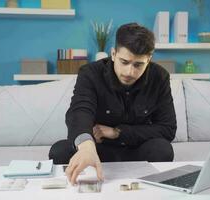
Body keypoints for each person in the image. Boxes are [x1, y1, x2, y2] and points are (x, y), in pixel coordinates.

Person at [49, 23, 177, 185]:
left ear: (149, 59)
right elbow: (79, 111)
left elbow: (167, 128)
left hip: (135, 148)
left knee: (162, 149)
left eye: (138, 65)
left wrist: (117, 132)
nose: (129, 72)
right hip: (97, 149)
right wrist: (87, 146)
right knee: (59, 151)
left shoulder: (159, 77)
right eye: (124, 62)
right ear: (114, 54)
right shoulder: (90, 73)